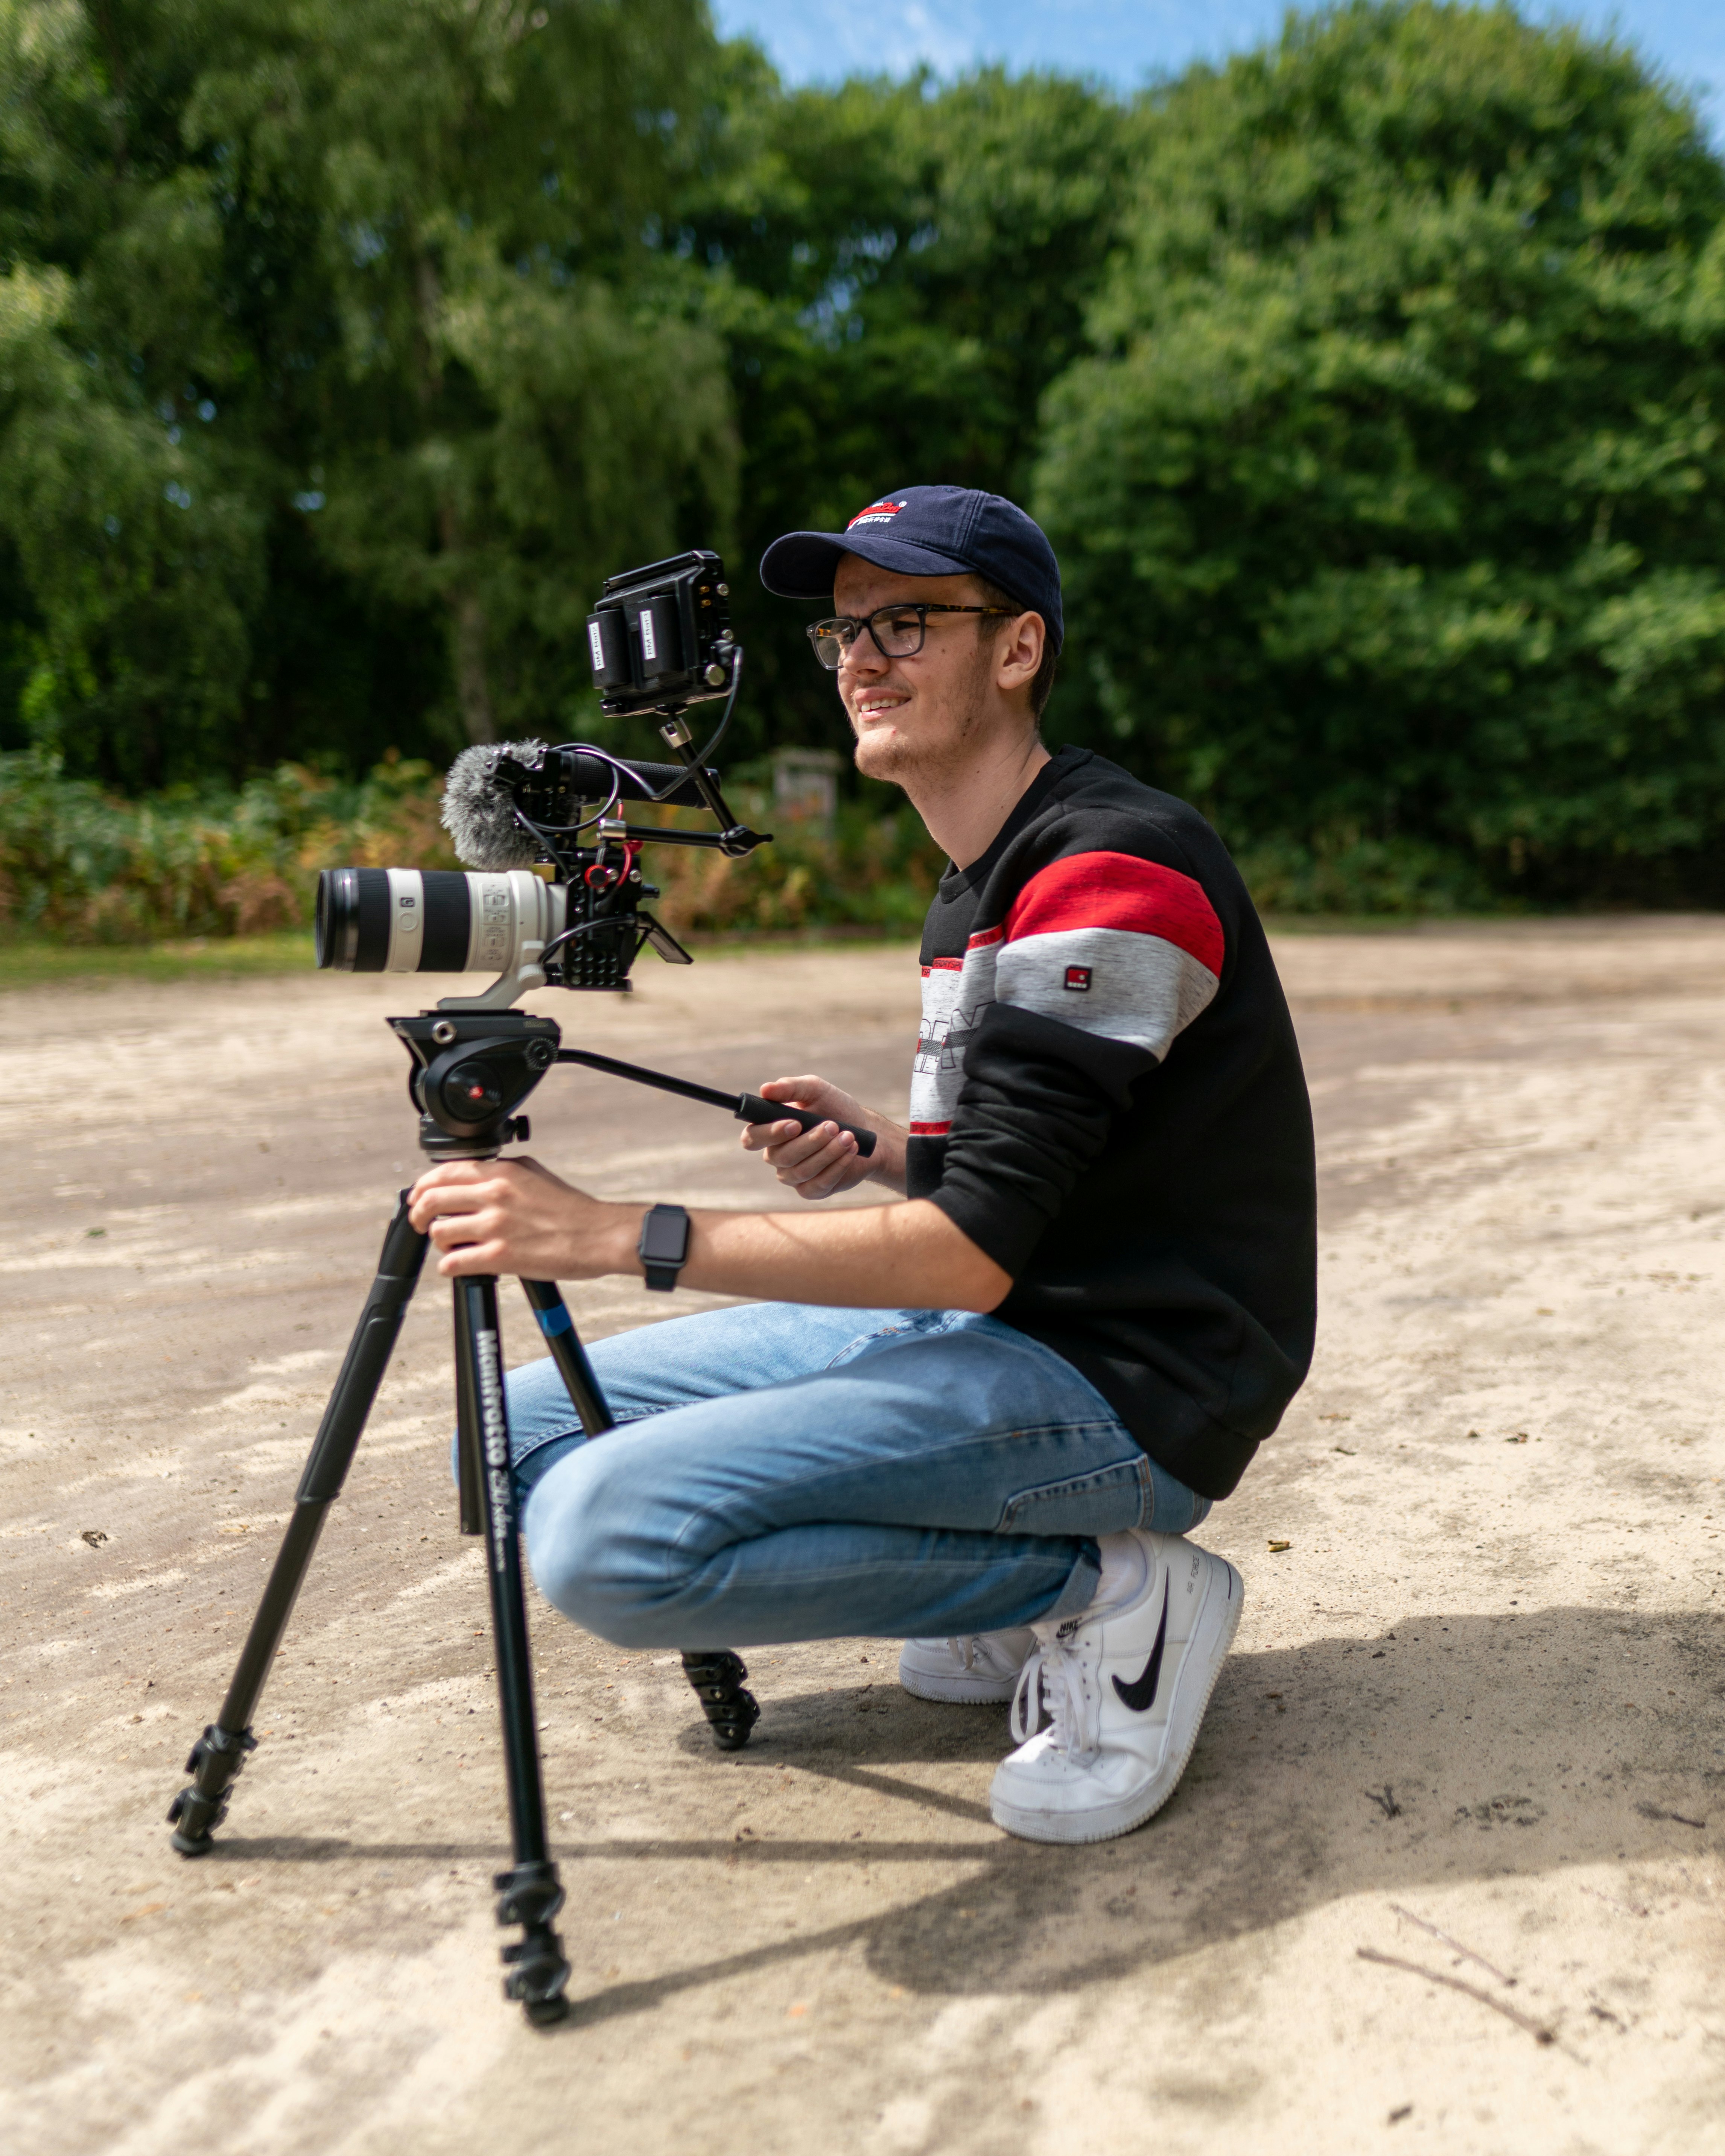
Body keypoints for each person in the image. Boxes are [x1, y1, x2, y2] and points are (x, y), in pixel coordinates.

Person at [407, 485, 1317, 1845]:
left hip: (1137, 1374)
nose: (862, 662)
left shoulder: (1115, 864)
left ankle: (1109, 1587)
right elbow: (1024, 1179)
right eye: (843, 636)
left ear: (1018, 649)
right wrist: (892, 1149)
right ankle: (1016, 1591)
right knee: (518, 1427)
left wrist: (610, 1233)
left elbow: (970, 1248)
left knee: (603, 1536)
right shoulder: (980, 873)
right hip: (1001, 1320)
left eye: (907, 621)